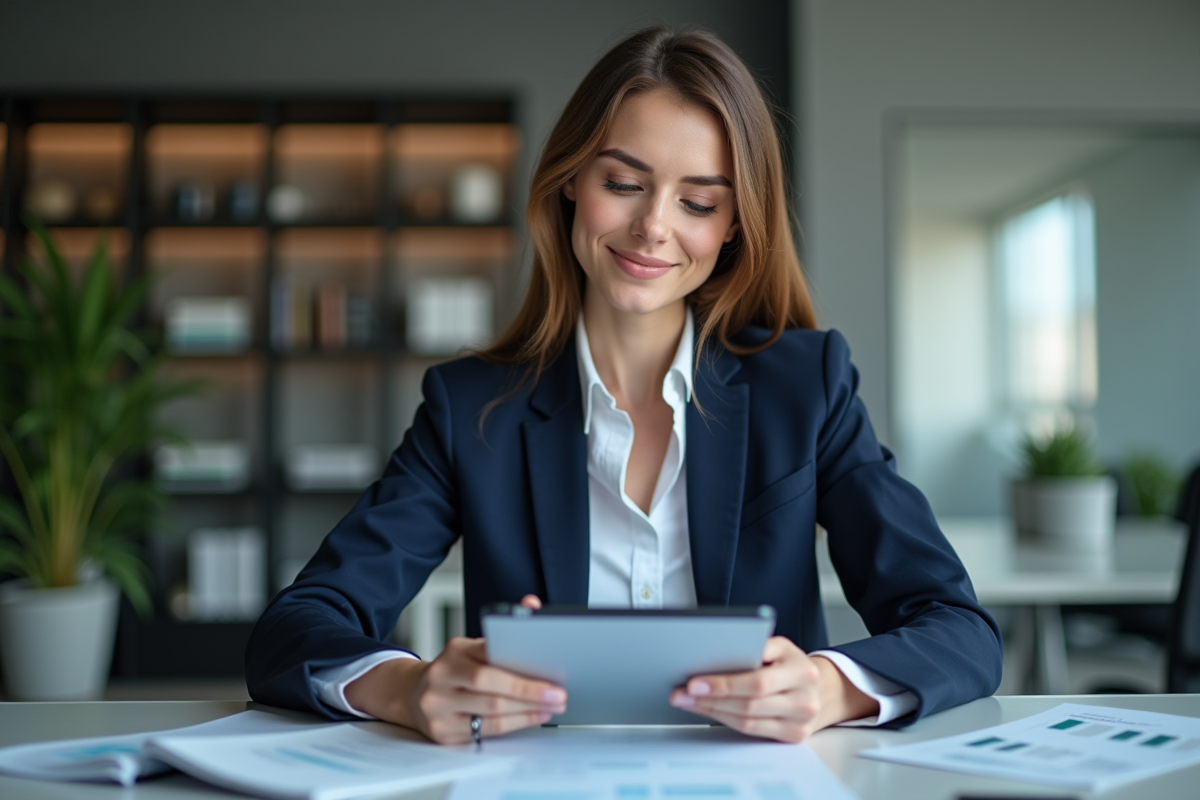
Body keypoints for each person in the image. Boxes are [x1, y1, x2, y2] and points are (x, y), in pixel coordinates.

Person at [245, 26, 1002, 745]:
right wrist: (409, 690)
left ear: (735, 224)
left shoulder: (806, 386)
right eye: (623, 183)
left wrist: (831, 687)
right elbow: (298, 626)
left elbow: (957, 628)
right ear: (572, 180)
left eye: (698, 202)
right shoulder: (471, 407)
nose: (653, 229)